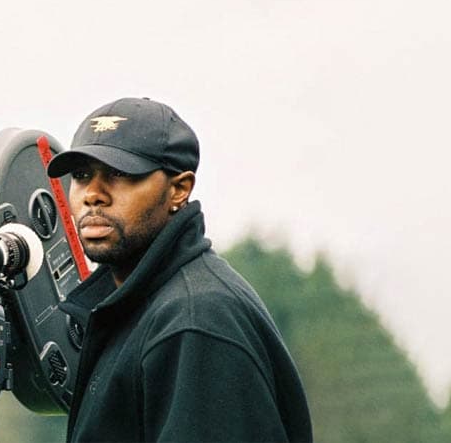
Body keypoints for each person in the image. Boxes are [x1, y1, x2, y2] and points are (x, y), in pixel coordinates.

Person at [46, 97, 313, 443]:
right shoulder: (135, 309)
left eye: (120, 174)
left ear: (179, 189)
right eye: (82, 176)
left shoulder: (194, 320)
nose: (93, 194)